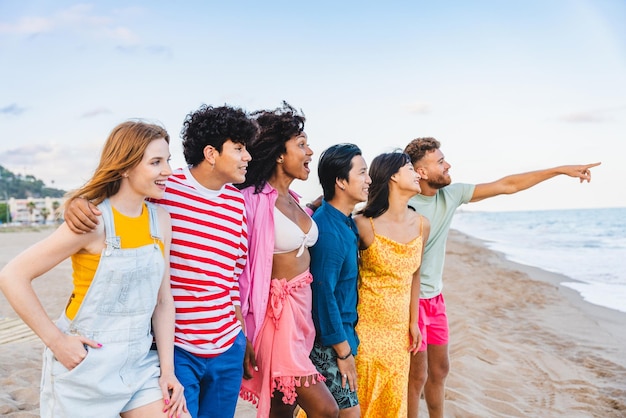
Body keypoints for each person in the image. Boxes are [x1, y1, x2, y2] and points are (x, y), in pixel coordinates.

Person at [63, 105, 257, 418]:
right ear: (211, 153)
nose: (247, 156)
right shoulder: (165, 191)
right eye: (239, 148)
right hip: (177, 348)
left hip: (226, 346)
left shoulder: (237, 203)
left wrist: (240, 334)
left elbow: (233, 276)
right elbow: (117, 199)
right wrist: (77, 203)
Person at [0, 121, 190, 417]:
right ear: (125, 167)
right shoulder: (92, 221)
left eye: (168, 160)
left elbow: (163, 301)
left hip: (139, 366)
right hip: (85, 367)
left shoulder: (160, 220)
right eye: (156, 162)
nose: (168, 171)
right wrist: (57, 342)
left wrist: (168, 371)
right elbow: (12, 276)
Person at [403, 137, 601, 418]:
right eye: (440, 162)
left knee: (440, 369)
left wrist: (559, 170)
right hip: (409, 301)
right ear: (420, 172)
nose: (448, 165)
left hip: (435, 298)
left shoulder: (452, 194)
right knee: (416, 376)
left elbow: (507, 185)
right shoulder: (404, 203)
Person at [237, 102, 339, 418]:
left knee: (283, 408)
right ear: (280, 154)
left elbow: (295, 232)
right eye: (302, 145)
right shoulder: (250, 200)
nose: (310, 152)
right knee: (325, 410)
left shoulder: (295, 202)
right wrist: (240, 330)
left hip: (300, 318)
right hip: (273, 320)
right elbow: (235, 268)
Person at [353, 152, 430, 418]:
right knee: (361, 400)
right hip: (364, 331)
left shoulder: (422, 225)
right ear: (393, 176)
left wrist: (413, 322)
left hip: (399, 335)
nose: (418, 174)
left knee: (391, 402)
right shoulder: (362, 224)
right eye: (411, 168)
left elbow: (415, 276)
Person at [307, 143, 371, 418]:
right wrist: (343, 354)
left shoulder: (345, 222)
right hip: (329, 344)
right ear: (341, 182)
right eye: (363, 173)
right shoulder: (329, 230)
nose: (368, 180)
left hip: (343, 336)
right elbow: (323, 294)